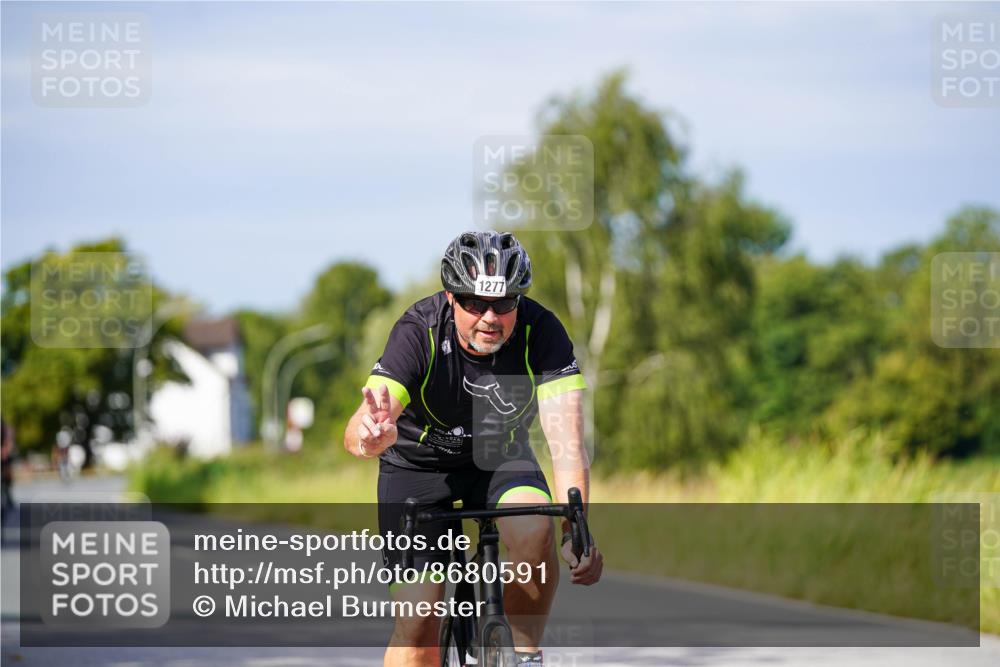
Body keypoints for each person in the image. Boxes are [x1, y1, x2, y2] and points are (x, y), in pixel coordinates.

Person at [344, 231, 603, 667]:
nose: (489, 317)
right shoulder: (419, 330)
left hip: (498, 456)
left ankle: (523, 654)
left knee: (535, 531)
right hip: (417, 466)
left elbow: (568, 446)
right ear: (450, 297)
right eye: (474, 303)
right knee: (419, 619)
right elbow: (360, 423)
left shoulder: (543, 333)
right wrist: (368, 436)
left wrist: (574, 532)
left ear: (518, 301)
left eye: (503, 304)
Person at [1, 419, 16, 526]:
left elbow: (8, 440)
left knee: (7, 472)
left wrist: (5, 450)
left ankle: (8, 492)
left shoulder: (4, 426)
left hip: (3, 458)